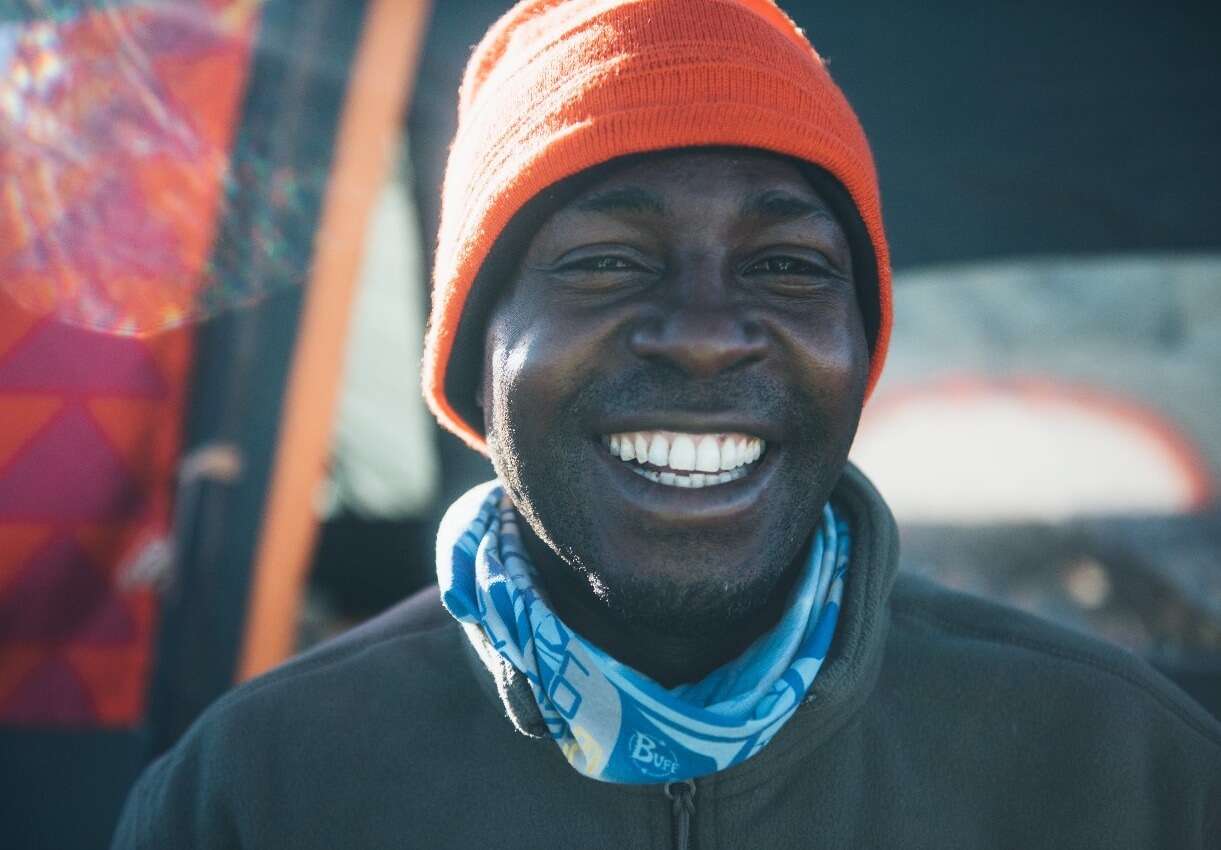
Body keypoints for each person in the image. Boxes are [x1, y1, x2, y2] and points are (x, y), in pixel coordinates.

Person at [111, 1, 1220, 847]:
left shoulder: (1125, 771)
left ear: (858, 349)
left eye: (786, 265)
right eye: (604, 262)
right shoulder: (262, 791)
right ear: (470, 355)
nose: (702, 335)